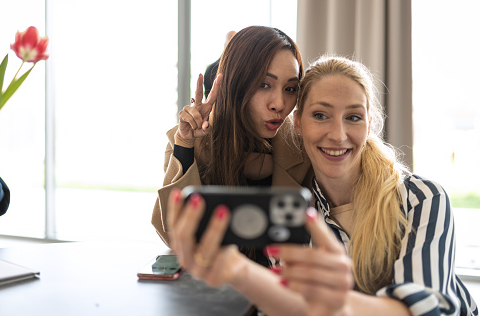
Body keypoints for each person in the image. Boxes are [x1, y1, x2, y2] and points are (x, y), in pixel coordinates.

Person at [166, 56, 478, 316]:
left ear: (370, 123)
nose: (338, 134)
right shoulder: (296, 212)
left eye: (353, 117)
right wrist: (236, 271)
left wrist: (333, 305)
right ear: (297, 122)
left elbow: (422, 311)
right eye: (321, 115)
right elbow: (293, 304)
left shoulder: (421, 199)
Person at [151, 26, 314, 266]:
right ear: (235, 84)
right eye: (264, 85)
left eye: (290, 89)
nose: (279, 104)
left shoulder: (304, 147)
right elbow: (174, 236)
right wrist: (186, 145)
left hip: (278, 292)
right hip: (213, 292)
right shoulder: (188, 138)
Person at [203, 30, 236, 99]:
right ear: (225, 44)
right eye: (231, 41)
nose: (233, 45)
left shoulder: (211, 69)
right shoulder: (211, 70)